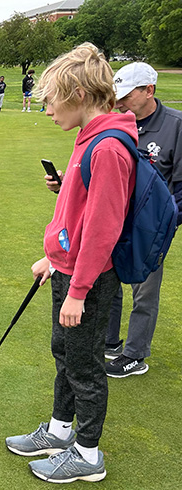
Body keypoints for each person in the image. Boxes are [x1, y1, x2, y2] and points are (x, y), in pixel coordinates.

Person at [6, 43, 137, 483]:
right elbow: (77, 214)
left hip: (91, 281)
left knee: (85, 366)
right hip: (68, 270)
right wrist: (53, 258)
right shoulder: (88, 141)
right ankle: (61, 431)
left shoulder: (108, 149)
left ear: (78, 92)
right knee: (63, 353)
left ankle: (87, 455)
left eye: (51, 100)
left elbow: (102, 231)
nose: (47, 110)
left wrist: (77, 290)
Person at [102, 62, 182, 378]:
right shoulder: (120, 122)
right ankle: (108, 341)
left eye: (126, 96)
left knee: (145, 290)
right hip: (115, 219)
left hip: (151, 228)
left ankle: (135, 354)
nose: (120, 103)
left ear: (149, 90)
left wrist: (163, 224)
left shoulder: (176, 125)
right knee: (108, 281)